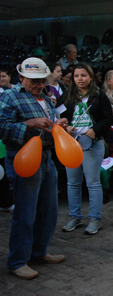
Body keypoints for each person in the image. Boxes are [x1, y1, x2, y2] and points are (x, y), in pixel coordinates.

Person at [0, 58, 68, 280]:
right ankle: (18, 261)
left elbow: (50, 123)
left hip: (46, 157)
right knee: (26, 213)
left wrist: (59, 125)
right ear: (21, 78)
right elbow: (2, 127)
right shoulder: (10, 96)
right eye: (34, 81)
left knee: (49, 211)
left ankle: (39, 252)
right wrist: (29, 124)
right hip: (24, 158)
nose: (39, 85)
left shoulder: (46, 98)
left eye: (42, 81)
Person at [60, 63, 113, 235]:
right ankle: (74, 217)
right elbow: (58, 116)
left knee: (93, 183)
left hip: (92, 144)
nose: (80, 79)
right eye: (76, 76)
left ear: (90, 77)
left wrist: (95, 129)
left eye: (83, 75)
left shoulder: (99, 95)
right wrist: (65, 127)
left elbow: (108, 119)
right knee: (73, 183)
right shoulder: (67, 95)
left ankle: (94, 219)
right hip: (71, 145)